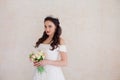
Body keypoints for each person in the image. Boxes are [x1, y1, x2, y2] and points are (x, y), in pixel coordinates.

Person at [33, 16, 68, 80]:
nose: (47, 29)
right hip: (40, 73)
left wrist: (47, 62)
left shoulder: (60, 41)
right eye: (45, 26)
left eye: (50, 26)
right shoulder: (42, 40)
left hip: (52, 75)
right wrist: (36, 61)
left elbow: (64, 62)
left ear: (56, 27)